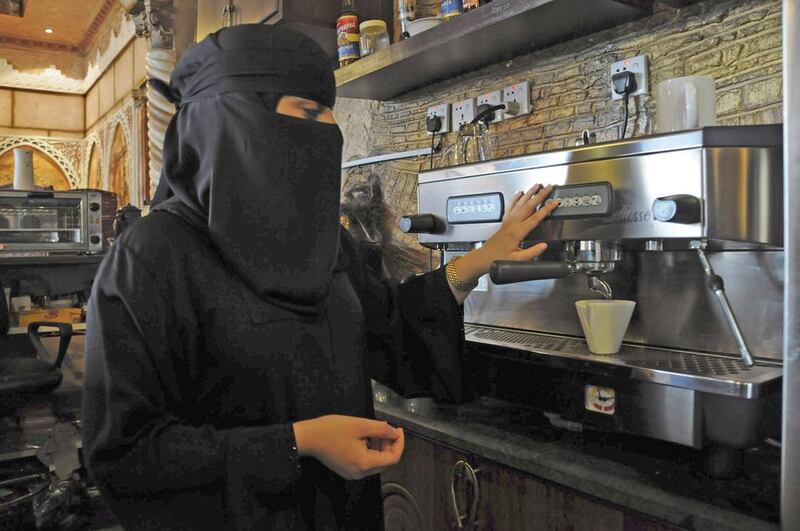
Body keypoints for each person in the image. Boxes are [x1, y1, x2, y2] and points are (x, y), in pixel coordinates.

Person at [81, 24, 559, 530]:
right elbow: (128, 452)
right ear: (234, 125)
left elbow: (391, 328)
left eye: (330, 119)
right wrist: (299, 442)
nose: (326, 135)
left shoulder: (326, 245)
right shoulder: (152, 256)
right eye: (308, 114)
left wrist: (480, 259)